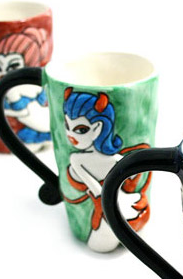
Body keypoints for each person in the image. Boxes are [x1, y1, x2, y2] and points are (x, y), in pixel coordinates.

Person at [62, 88, 150, 252]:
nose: (70, 135)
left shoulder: (80, 159)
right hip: (116, 209)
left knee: (101, 244)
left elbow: (99, 191)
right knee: (103, 243)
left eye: (80, 129)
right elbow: (98, 190)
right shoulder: (85, 159)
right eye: (67, 126)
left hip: (112, 210)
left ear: (97, 127)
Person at [0, 27, 52, 151]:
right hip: (35, 123)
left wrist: (3, 112)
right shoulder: (9, 88)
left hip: (42, 122)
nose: (3, 73)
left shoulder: (15, 89)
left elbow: (23, 112)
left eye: (13, 66)